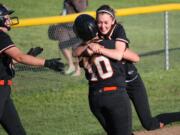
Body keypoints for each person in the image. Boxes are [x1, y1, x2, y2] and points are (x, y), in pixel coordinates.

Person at [95, 4, 180, 130]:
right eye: (99, 22)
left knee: (149, 124)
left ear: (113, 21)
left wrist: (101, 48)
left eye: (106, 22)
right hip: (116, 88)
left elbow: (133, 57)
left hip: (132, 81)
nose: (102, 26)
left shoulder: (118, 30)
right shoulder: (94, 31)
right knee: (118, 128)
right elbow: (77, 51)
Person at [0, 4, 64, 135]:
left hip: (4, 91)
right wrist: (46, 63)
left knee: (17, 132)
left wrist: (29, 57)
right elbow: (19, 57)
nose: (9, 19)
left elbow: (10, 60)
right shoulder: (1, 36)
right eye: (6, 17)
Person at [73, 14, 139, 135]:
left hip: (95, 99)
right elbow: (135, 58)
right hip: (115, 97)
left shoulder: (80, 52)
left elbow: (75, 52)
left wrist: (90, 48)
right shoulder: (109, 44)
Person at [58, 0, 88, 76]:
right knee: (62, 44)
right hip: (65, 24)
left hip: (75, 25)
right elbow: (66, 9)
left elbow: (81, 8)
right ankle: (71, 65)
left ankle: (78, 70)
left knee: (76, 48)